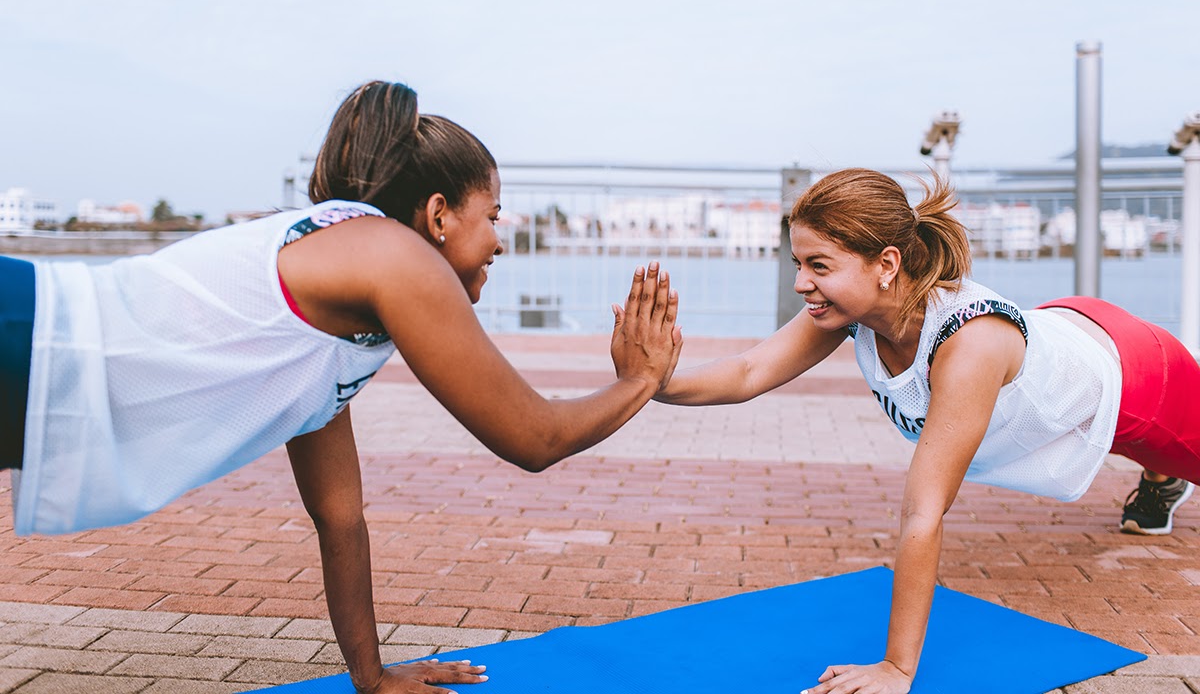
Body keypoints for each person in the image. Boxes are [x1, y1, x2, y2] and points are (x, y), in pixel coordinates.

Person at [0, 80, 683, 694]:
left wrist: (371, 676)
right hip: (30, 336)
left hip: (32, 362)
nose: (500, 242)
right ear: (440, 215)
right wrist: (641, 378)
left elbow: (340, 515)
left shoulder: (339, 309)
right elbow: (534, 438)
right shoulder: (392, 256)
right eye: (494, 216)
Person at [653, 167, 1198, 694]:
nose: (801, 284)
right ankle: (1160, 475)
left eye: (818, 265)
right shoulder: (849, 310)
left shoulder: (969, 344)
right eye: (798, 263)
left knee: (1168, 449)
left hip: (1136, 374)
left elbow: (923, 510)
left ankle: (1163, 474)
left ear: (885, 263)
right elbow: (750, 371)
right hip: (1064, 325)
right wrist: (652, 380)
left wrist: (897, 667)